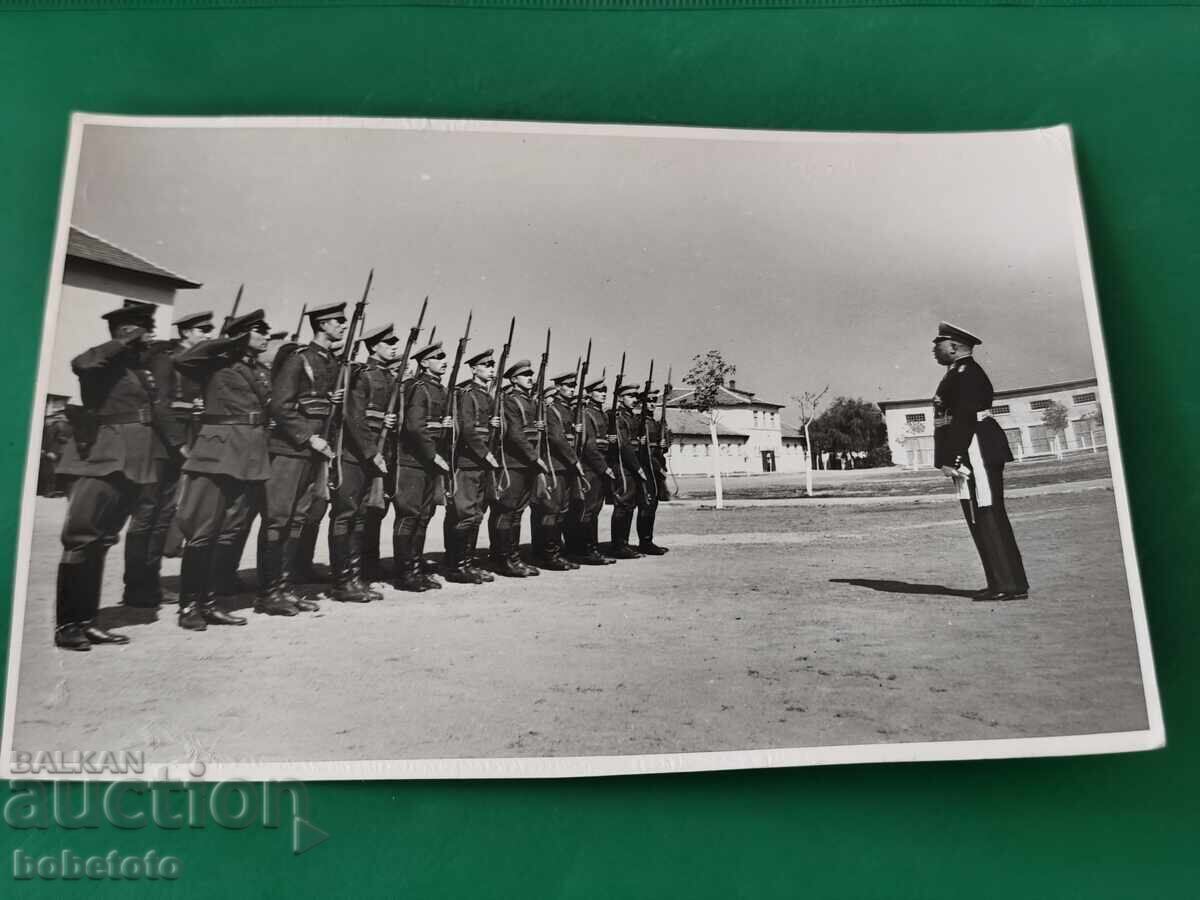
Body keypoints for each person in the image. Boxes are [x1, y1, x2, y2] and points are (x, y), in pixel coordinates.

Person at [52, 300, 177, 649]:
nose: (147, 337)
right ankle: (67, 626)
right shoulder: (101, 364)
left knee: (103, 541)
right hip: (99, 459)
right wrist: (122, 342)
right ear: (124, 332)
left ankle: (88, 620)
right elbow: (81, 362)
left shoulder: (142, 369)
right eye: (140, 330)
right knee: (81, 539)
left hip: (131, 464)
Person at [172, 309, 276, 627]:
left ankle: (212, 601)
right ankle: (189, 606)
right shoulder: (215, 362)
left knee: (229, 534)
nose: (267, 335)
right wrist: (225, 340)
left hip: (250, 455)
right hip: (216, 453)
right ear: (243, 335)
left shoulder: (259, 369)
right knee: (203, 533)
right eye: (261, 330)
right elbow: (183, 361)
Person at [931, 321, 1029, 602]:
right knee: (981, 515)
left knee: (987, 513)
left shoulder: (965, 374)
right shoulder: (958, 373)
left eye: (938, 344)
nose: (934, 350)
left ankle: (1007, 584)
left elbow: (963, 418)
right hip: (972, 448)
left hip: (976, 449)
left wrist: (953, 457)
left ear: (953, 346)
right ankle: (1002, 581)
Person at [264, 301, 347, 613]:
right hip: (291, 449)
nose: (342, 325)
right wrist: (309, 436)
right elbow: (280, 405)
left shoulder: (331, 362)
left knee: (298, 518)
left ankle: (285, 587)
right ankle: (270, 592)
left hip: (315, 450)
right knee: (279, 518)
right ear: (322, 324)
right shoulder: (298, 359)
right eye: (337, 321)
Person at [328, 323, 398, 602]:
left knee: (360, 517)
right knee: (345, 514)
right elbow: (352, 416)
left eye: (395, 342)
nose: (394, 346)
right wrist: (371, 452)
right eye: (388, 342)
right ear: (373, 347)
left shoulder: (388, 377)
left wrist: (390, 421)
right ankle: (342, 581)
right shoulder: (360, 374)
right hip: (354, 456)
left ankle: (356, 578)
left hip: (374, 455)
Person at [151, 310, 214, 591]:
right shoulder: (168, 359)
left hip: (192, 436)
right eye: (202, 329)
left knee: (174, 510)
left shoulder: (200, 363)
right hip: (166, 442)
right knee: (154, 512)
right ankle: (144, 583)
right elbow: (161, 405)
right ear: (186, 333)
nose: (208, 334)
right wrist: (179, 444)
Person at [392, 341, 451, 591]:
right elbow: (414, 427)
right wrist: (432, 455)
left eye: (444, 356)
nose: (444, 360)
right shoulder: (418, 388)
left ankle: (415, 567)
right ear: (424, 363)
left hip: (429, 463)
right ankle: (405, 573)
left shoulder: (440, 389)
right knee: (410, 515)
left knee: (424, 516)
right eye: (438, 357)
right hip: (413, 461)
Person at [442, 348, 502, 584]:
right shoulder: (468, 393)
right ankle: (458, 567)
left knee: (475, 514)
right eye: (486, 365)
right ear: (474, 369)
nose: (490, 368)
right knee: (466, 514)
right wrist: (486, 454)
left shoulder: (486, 395)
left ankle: (466, 563)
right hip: (469, 463)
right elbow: (466, 428)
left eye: (492, 365)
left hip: (480, 463)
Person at [489, 359, 549, 577]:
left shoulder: (530, 401)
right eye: (525, 375)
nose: (531, 378)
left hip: (526, 465)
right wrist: (535, 458)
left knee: (517, 513)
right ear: (514, 379)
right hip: (513, 463)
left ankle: (512, 557)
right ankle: (503, 559)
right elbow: (515, 434)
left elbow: (530, 430)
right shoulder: (510, 401)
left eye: (531, 374)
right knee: (506, 511)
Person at [531, 371, 585, 570]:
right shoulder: (552, 409)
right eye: (568, 386)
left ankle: (553, 551)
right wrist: (574, 460)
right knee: (551, 511)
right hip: (555, 465)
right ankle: (548, 555)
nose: (571, 389)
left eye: (573, 386)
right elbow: (557, 439)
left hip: (565, 467)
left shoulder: (568, 410)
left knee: (561, 511)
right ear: (559, 387)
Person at [564, 374, 616, 565]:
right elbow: (588, 446)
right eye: (599, 391)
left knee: (594, 510)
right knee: (586, 511)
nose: (603, 394)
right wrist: (604, 468)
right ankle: (586, 550)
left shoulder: (600, 413)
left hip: (599, 468)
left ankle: (590, 548)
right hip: (590, 468)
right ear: (589, 393)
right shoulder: (586, 414)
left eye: (604, 391)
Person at [607, 382, 646, 559]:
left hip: (633, 464)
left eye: (635, 396)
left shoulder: (632, 417)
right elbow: (624, 445)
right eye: (630, 396)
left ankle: (624, 543)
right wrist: (638, 468)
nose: (634, 400)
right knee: (623, 505)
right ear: (621, 398)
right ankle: (618, 546)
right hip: (623, 465)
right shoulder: (618, 417)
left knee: (630, 505)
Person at [634, 388, 668, 555]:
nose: (653, 404)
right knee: (646, 506)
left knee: (652, 505)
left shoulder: (655, 422)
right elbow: (641, 450)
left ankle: (648, 540)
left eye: (655, 400)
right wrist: (658, 468)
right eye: (649, 401)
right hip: (646, 467)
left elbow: (663, 445)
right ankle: (644, 543)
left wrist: (664, 444)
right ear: (642, 403)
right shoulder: (640, 422)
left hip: (655, 467)